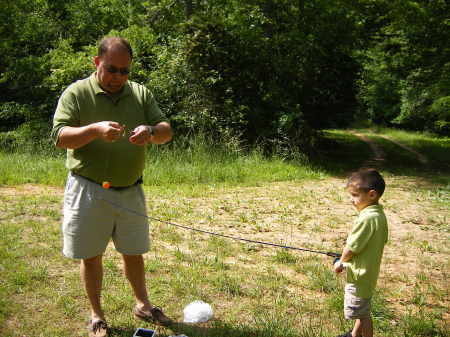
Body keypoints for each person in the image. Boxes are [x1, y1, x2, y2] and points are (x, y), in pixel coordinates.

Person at [52, 36, 173, 337]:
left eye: (125, 71)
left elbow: (166, 130)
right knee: (91, 255)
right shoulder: (77, 93)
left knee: (134, 252)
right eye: (112, 69)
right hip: (87, 189)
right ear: (97, 63)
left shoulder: (140, 94)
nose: (119, 77)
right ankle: (96, 315)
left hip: (130, 189)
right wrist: (93, 130)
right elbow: (60, 136)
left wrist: (150, 131)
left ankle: (143, 304)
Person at [333, 169, 388, 337]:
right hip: (369, 274)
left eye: (355, 195)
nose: (352, 200)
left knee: (361, 314)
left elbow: (352, 247)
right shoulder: (379, 215)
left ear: (372, 195)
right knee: (362, 309)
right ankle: (354, 335)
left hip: (359, 277)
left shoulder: (366, 218)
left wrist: (340, 262)